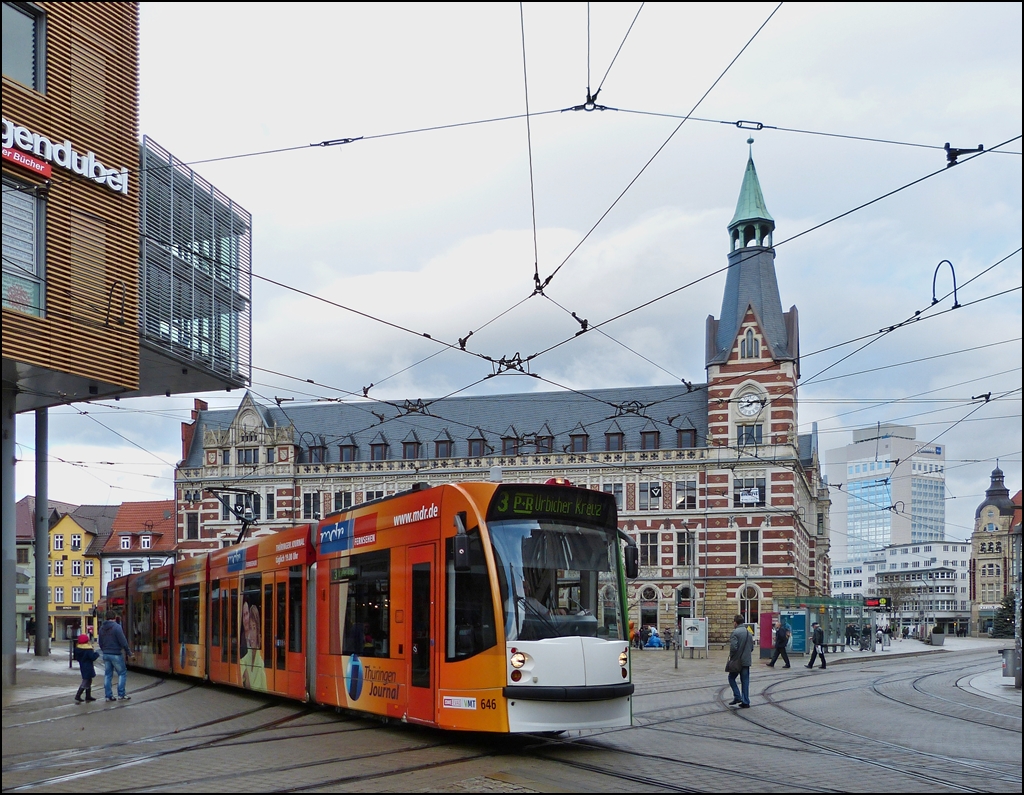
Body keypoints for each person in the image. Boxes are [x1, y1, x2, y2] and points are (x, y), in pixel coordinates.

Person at [98, 609, 132, 701]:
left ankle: (108, 696)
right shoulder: (117, 627)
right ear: (114, 617)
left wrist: (104, 650)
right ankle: (121, 694)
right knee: (122, 673)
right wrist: (129, 652)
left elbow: (100, 642)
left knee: (108, 675)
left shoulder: (101, 628)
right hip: (116, 653)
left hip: (106, 654)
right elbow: (123, 641)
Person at [727, 614, 753, 708]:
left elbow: (733, 648)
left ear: (735, 622)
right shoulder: (748, 632)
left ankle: (737, 696)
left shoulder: (735, 633)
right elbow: (752, 648)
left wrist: (732, 658)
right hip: (746, 661)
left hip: (737, 661)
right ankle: (746, 701)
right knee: (745, 681)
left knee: (731, 678)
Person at [73, 633, 99, 703]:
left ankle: (88, 696)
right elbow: (92, 657)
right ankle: (78, 695)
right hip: (88, 666)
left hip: (82, 665)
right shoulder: (88, 649)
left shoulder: (78, 648)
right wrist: (96, 654)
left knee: (88, 680)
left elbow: (77, 658)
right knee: (86, 681)